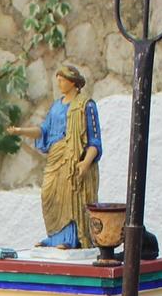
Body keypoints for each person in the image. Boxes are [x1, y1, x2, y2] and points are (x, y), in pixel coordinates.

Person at [7, 63, 102, 248]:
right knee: (48, 195)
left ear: (73, 82)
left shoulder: (86, 105)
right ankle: (55, 236)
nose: (59, 83)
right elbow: (43, 131)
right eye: (58, 80)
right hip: (56, 156)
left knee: (71, 196)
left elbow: (95, 141)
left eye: (62, 80)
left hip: (74, 159)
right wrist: (21, 131)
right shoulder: (56, 106)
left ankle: (73, 238)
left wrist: (85, 163)